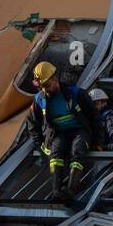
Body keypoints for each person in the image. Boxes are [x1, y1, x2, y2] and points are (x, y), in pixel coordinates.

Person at [25, 61, 101, 200]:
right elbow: (32, 123)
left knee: (77, 151)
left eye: (47, 86)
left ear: (55, 79)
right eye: (42, 87)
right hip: (59, 133)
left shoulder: (76, 93)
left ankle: (71, 190)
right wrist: (41, 144)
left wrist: (97, 141)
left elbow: (94, 117)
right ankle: (56, 191)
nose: (45, 90)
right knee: (56, 153)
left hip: (79, 130)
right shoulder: (39, 100)